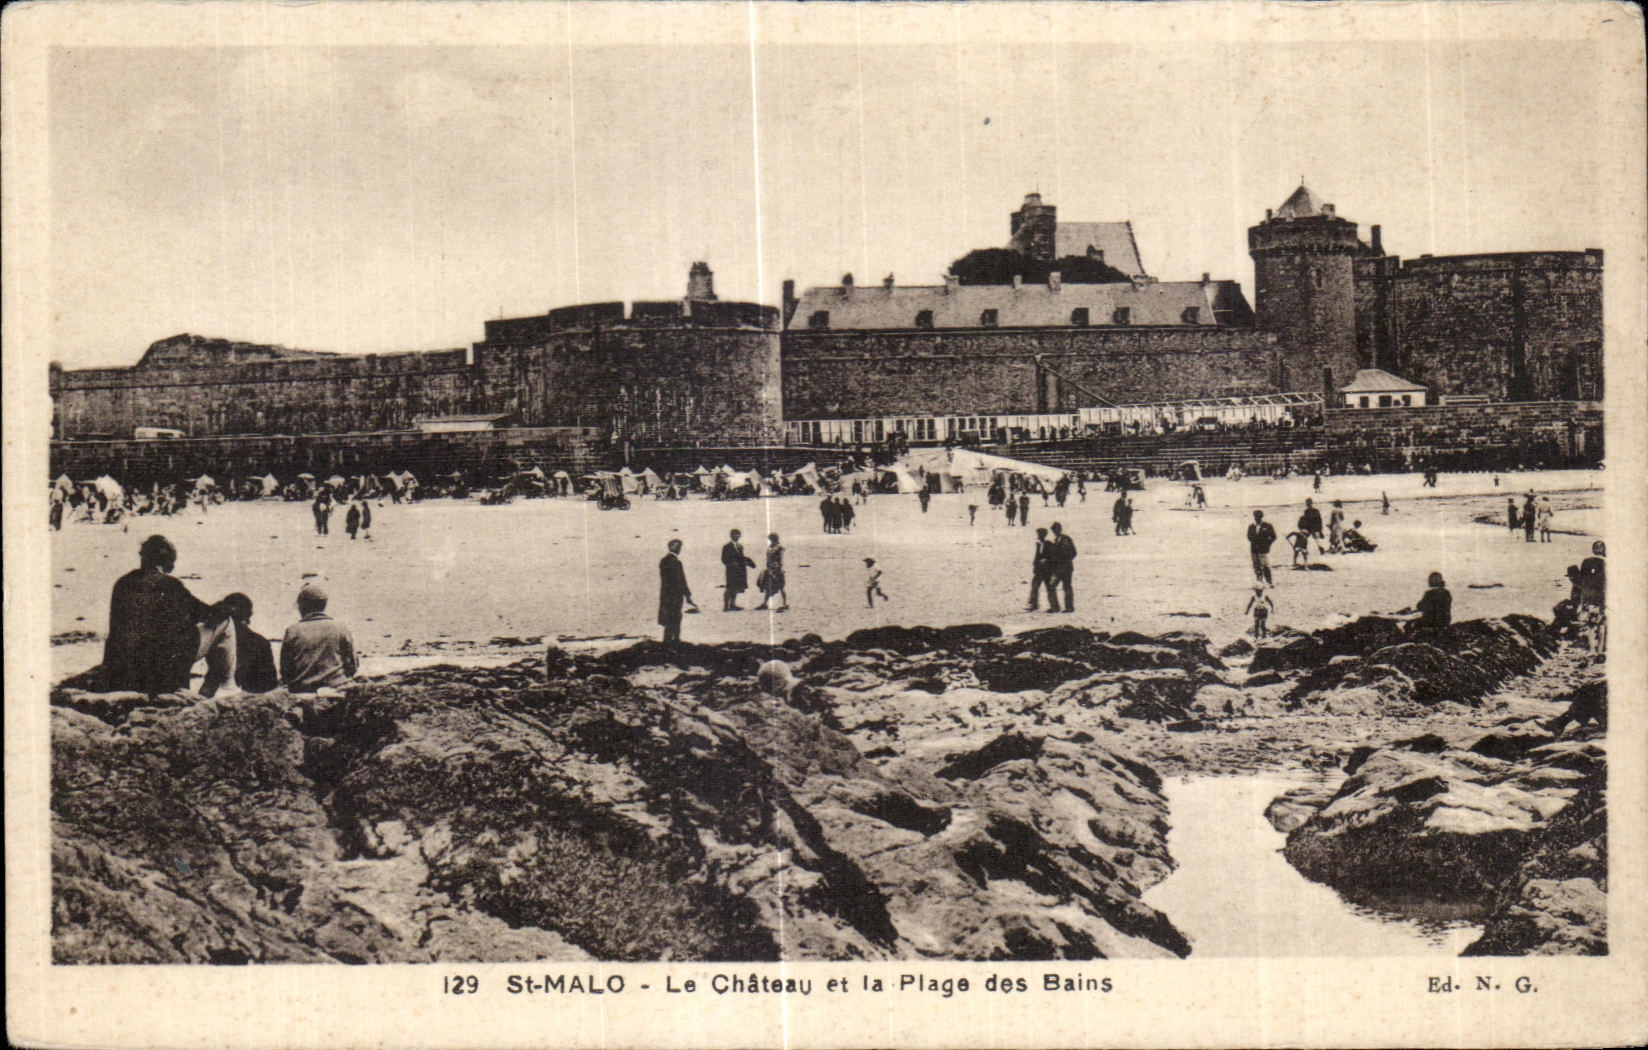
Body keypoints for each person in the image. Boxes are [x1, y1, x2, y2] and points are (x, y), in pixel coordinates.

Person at [101, 534, 237, 696]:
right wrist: (224, 607)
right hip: (161, 664)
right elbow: (207, 615)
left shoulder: (123, 583)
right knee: (225, 623)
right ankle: (227, 685)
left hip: (123, 663)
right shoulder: (170, 585)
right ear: (167, 562)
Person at [280, 583, 358, 691]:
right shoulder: (340, 627)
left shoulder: (293, 630)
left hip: (304, 689)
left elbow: (286, 670)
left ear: (303, 606)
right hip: (337, 687)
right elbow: (352, 665)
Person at [220, 592, 279, 693]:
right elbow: (270, 684)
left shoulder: (219, 640)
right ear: (249, 615)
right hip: (250, 700)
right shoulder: (261, 642)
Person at [655, 539, 698, 643]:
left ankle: (672, 640)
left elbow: (681, 580)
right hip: (671, 595)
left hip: (671, 595)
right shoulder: (671, 562)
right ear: (670, 547)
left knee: (674, 618)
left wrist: (687, 595)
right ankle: (671, 641)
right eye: (676, 546)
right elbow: (679, 580)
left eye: (679, 546)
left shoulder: (668, 561)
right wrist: (687, 595)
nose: (678, 548)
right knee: (673, 618)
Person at [1405, 572, 1452, 636]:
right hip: (1444, 622)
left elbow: (1420, 606)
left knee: (1408, 625)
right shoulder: (1447, 593)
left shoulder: (1429, 593)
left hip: (1431, 623)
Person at [721, 529, 756, 611]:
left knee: (736, 588)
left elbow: (741, 558)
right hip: (731, 571)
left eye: (738, 535)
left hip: (739, 571)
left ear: (740, 536)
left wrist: (748, 562)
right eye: (734, 535)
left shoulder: (740, 547)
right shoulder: (727, 547)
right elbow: (724, 559)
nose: (736, 536)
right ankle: (726, 606)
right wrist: (731, 564)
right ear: (731, 536)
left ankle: (732, 604)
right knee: (729, 588)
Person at [1048, 522, 1077, 613]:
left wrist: (1065, 561)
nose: (1055, 532)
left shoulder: (1065, 539)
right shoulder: (1056, 540)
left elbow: (1073, 553)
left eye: (1056, 530)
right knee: (1053, 586)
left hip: (1065, 568)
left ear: (1059, 529)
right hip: (1059, 568)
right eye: (1053, 530)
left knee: (1066, 587)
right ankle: (1056, 607)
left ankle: (1068, 607)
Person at [754, 533, 788, 611]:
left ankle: (785, 603)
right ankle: (765, 603)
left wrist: (781, 568)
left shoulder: (779, 548)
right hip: (770, 569)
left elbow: (781, 559)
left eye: (772, 539)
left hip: (777, 569)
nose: (771, 540)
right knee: (768, 586)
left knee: (781, 586)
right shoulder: (770, 547)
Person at [1026, 527, 1056, 612]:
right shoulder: (1039, 544)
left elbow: (1051, 557)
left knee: (1047, 587)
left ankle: (1053, 606)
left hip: (1046, 570)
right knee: (1035, 586)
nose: (1038, 536)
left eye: (1039, 534)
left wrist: (1045, 561)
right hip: (1039, 570)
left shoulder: (1048, 544)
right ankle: (1034, 604)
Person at [1247, 510, 1277, 586]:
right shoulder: (1251, 526)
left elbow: (1273, 536)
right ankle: (1259, 581)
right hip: (1254, 549)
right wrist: (1254, 542)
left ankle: (1269, 581)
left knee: (1265, 565)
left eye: (1259, 517)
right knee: (1256, 566)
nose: (1257, 518)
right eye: (1256, 517)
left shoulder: (1267, 526)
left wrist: (1267, 544)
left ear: (1261, 517)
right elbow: (1249, 537)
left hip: (1263, 549)